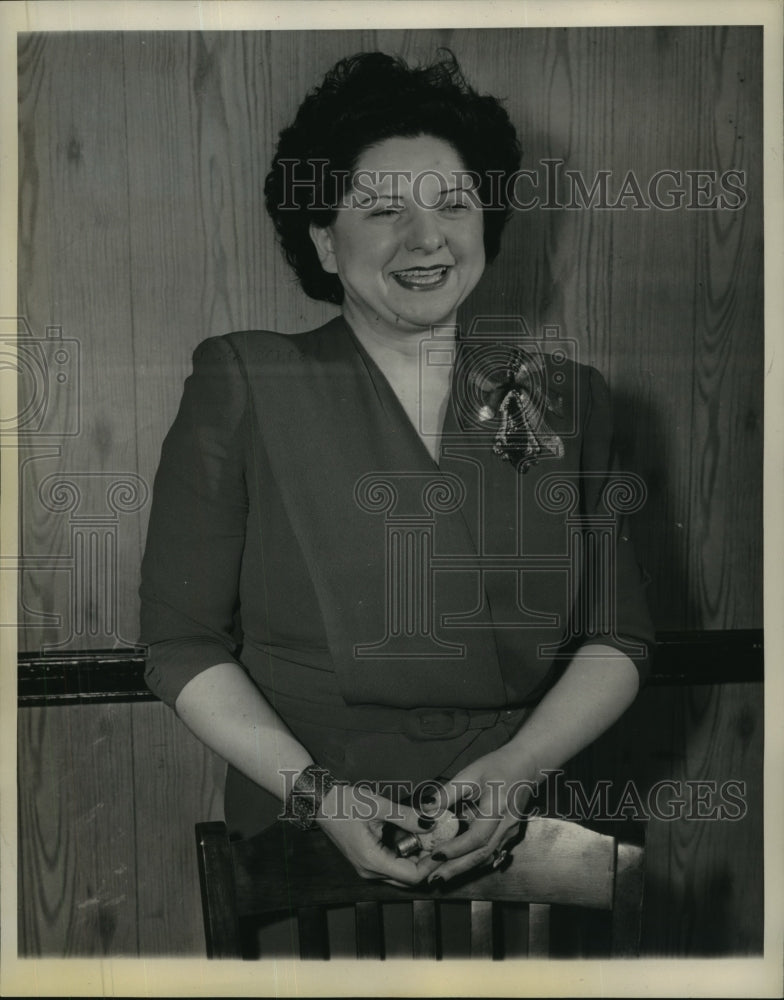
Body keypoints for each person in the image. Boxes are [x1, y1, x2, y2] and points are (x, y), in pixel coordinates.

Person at [140, 51, 653, 898]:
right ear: (323, 241)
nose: (427, 238)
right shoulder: (248, 381)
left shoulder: (566, 399)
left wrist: (519, 769)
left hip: (533, 830)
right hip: (309, 845)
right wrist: (320, 796)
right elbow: (177, 643)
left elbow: (619, 637)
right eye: (383, 210)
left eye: (454, 204)